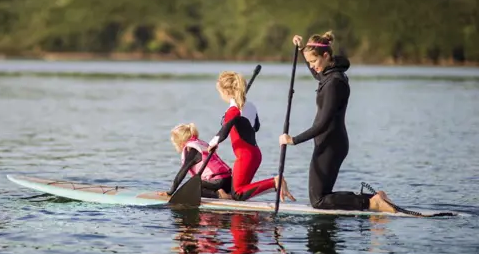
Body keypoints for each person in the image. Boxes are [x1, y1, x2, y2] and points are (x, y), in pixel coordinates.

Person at [278, 32, 396, 213]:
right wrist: (300, 49)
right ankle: (372, 199)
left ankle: (371, 203)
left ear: (325, 56)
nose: (312, 66)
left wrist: (293, 140)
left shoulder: (335, 82)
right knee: (322, 195)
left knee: (318, 200)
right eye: (308, 62)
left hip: (332, 144)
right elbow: (317, 73)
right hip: (328, 143)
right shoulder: (328, 74)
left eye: (313, 61)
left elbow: (323, 124)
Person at [209, 71, 295, 202]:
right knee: (239, 191)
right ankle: (273, 184)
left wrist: (212, 143)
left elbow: (224, 131)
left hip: (245, 156)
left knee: (237, 194)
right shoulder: (250, 106)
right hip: (255, 154)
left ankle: (274, 182)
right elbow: (256, 127)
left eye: (220, 92)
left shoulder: (233, 109)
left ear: (226, 92)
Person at [163, 123, 233, 199]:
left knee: (189, 188)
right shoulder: (201, 144)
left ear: (180, 141)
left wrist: (170, 192)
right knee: (197, 184)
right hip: (228, 180)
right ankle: (224, 192)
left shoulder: (191, 149)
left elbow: (182, 172)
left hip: (217, 181)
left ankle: (219, 195)